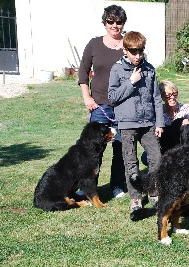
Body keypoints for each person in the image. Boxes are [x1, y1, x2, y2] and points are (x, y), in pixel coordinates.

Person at [108, 31, 164, 211]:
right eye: (133, 52)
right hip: (127, 124)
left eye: (140, 51)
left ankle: (153, 192)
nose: (138, 56)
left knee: (156, 158)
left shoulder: (149, 69)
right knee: (130, 162)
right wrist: (130, 82)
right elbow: (112, 97)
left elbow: (156, 97)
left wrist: (159, 122)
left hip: (147, 123)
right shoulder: (117, 69)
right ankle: (135, 198)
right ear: (125, 50)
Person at [78, 4, 128, 198]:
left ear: (123, 24)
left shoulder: (128, 44)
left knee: (121, 147)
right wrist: (86, 96)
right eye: (111, 22)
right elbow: (83, 71)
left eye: (119, 22)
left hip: (123, 106)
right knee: (93, 150)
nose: (115, 26)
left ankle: (117, 185)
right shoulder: (94, 44)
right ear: (104, 23)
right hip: (98, 105)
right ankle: (89, 187)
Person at [141, 80, 189, 166]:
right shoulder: (158, 112)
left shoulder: (186, 108)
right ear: (162, 97)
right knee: (145, 157)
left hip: (182, 145)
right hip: (165, 146)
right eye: (168, 95)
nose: (172, 97)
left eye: (174, 94)